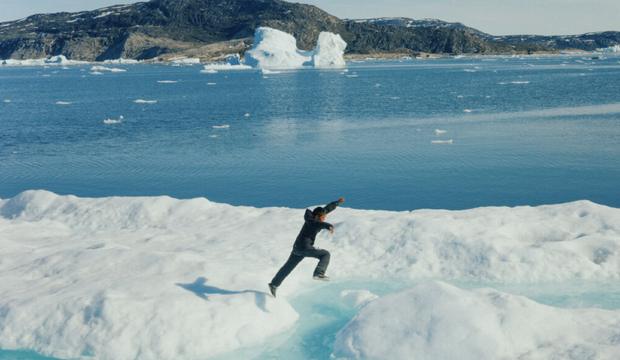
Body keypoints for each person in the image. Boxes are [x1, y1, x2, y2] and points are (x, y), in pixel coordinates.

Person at [268, 198, 345, 297]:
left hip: (297, 248)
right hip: (305, 247)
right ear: (317, 217)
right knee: (325, 254)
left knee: (287, 268)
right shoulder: (313, 222)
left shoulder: (313, 218)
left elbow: (325, 210)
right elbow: (320, 224)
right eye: (323, 218)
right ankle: (319, 273)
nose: (324, 219)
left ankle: (274, 284)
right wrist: (328, 226)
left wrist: (336, 203)